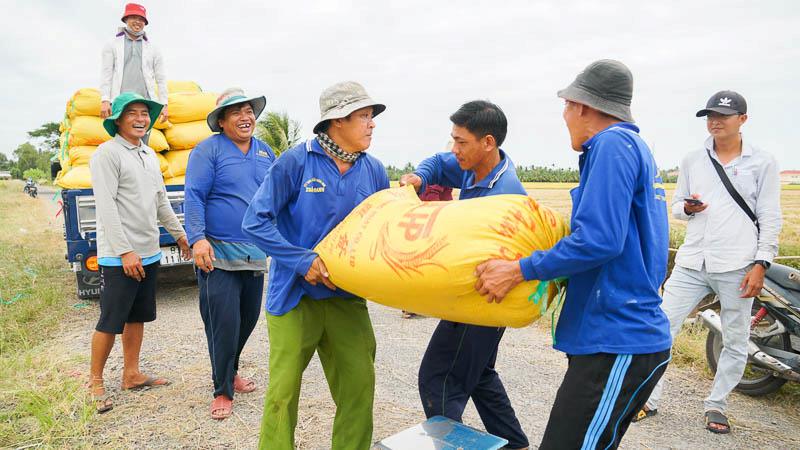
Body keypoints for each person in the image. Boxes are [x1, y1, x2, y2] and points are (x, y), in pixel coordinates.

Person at [475, 60, 672, 449]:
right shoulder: (632, 148)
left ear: (582, 106)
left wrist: (520, 269)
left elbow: (599, 240)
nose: (564, 116)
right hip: (611, 338)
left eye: (566, 106)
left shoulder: (613, 145)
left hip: (617, 340)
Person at [242, 81, 389, 449]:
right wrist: (300, 260)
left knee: (359, 388)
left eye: (372, 117)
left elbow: (382, 232)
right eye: (364, 117)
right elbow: (255, 221)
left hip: (346, 299)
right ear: (337, 121)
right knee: (283, 393)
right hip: (295, 297)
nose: (372, 125)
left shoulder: (374, 171)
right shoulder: (296, 161)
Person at [634, 90, 781, 434]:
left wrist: (762, 263)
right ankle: (647, 398)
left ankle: (717, 405)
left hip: (738, 264)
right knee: (660, 328)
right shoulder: (692, 159)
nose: (714, 121)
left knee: (734, 338)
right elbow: (675, 208)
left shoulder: (763, 162)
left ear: (742, 119)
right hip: (692, 261)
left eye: (723, 116)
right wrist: (687, 208)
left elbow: (770, 216)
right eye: (709, 115)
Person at [400, 100, 529, 449]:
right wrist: (420, 177)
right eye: (453, 140)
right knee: (480, 375)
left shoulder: (505, 195)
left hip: (481, 302)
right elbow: (437, 165)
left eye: (461, 142)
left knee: (438, 379)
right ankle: (515, 444)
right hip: (473, 302)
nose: (454, 150)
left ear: (488, 142)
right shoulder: (473, 168)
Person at [88, 92, 190, 414]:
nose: (140, 118)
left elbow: (161, 202)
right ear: (117, 120)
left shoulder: (147, 154)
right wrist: (125, 251)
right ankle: (95, 381)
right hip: (120, 256)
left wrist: (181, 235)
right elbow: (105, 207)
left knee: (137, 316)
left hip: (148, 252)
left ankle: (131, 374)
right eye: (132, 112)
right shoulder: (108, 154)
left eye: (144, 113)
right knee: (111, 319)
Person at [184, 88, 275, 420]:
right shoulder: (207, 151)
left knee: (246, 321)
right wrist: (197, 239)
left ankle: (231, 369)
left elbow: (277, 197)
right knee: (223, 323)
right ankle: (223, 389)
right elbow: (194, 195)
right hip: (216, 253)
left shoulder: (266, 153)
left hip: (254, 253)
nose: (245, 116)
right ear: (221, 121)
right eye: (236, 112)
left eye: (249, 110)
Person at [100, 3, 168, 131]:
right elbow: (106, 74)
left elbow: (161, 78)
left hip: (145, 102)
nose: (138, 22)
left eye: (141, 19)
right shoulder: (112, 44)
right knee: (121, 138)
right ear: (126, 19)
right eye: (134, 18)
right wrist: (105, 99)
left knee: (142, 136)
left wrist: (164, 104)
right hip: (120, 102)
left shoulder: (153, 48)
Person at [401, 183, 453, 319]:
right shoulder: (441, 172)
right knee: (424, 264)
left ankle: (413, 304)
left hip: (425, 220)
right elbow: (432, 196)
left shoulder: (440, 169)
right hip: (432, 222)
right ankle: (412, 306)